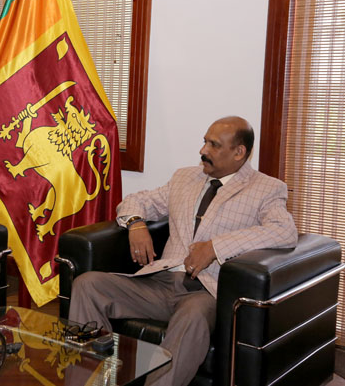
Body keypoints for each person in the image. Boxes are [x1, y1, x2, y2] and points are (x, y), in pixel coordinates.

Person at [68, 116, 297, 386]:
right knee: (87, 284)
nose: (203, 151)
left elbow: (284, 231)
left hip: (205, 292)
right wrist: (136, 224)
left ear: (239, 153)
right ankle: (91, 381)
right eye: (204, 142)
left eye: (214, 145)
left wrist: (215, 248)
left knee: (193, 317)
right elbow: (136, 200)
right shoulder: (186, 177)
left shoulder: (266, 188)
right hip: (160, 282)